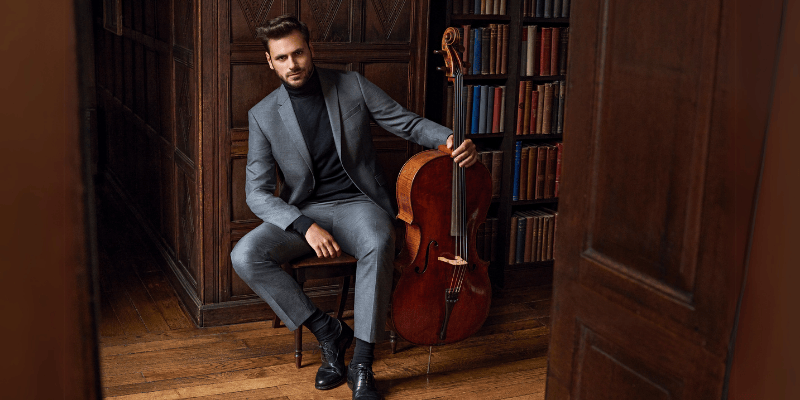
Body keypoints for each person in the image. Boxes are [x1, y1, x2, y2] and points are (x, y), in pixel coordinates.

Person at [230, 14, 478, 400]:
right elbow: (257, 193)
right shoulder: (262, 115)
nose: (292, 64)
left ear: (311, 50)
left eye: (298, 53)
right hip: (305, 212)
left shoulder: (352, 85)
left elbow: (407, 123)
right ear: (269, 62)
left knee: (378, 242)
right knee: (245, 255)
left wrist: (449, 139)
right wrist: (303, 225)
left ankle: (362, 361)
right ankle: (329, 332)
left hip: (359, 203)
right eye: (282, 58)